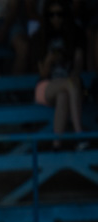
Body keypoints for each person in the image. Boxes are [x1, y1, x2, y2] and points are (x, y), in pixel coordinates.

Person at [32, 0, 88, 150]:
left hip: (69, 85)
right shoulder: (40, 37)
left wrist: (75, 63)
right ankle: (79, 134)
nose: (56, 18)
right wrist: (49, 60)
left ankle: (56, 144)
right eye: (51, 15)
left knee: (65, 93)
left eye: (60, 14)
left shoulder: (75, 35)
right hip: (46, 87)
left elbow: (77, 69)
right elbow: (42, 73)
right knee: (69, 84)